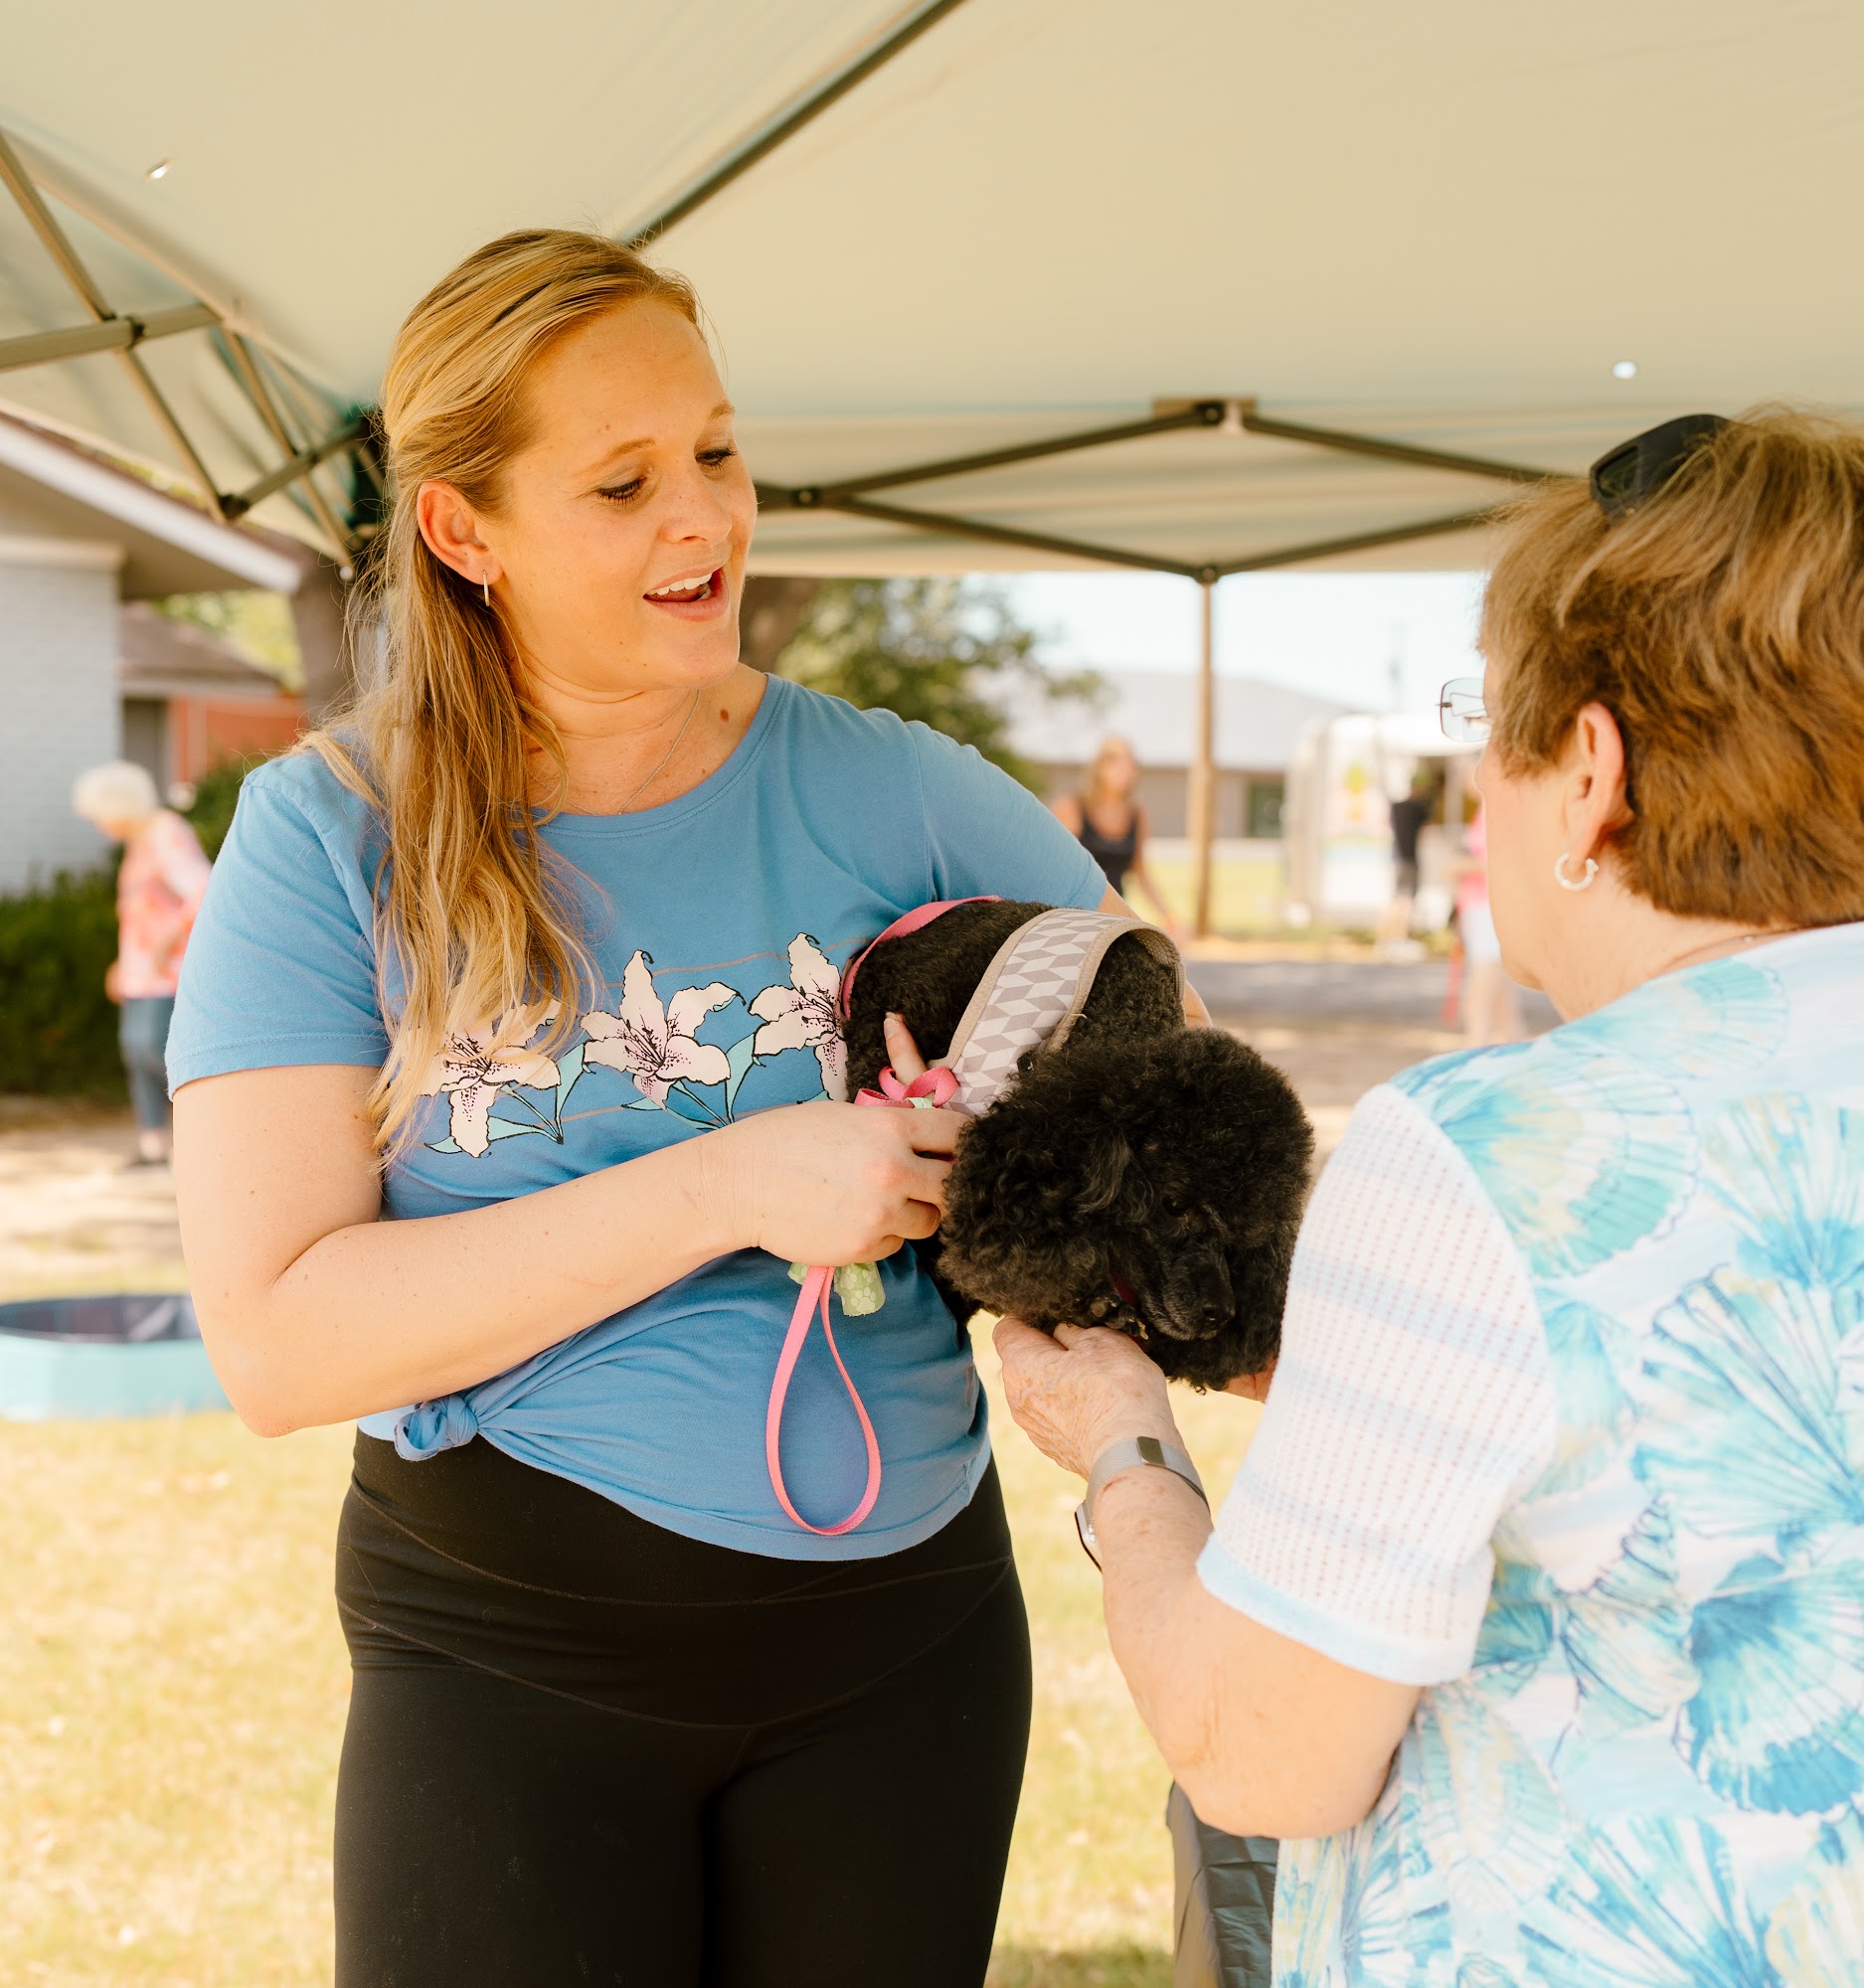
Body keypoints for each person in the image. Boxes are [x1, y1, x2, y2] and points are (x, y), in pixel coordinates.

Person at [164, 230, 1191, 1988]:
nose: (702, 518)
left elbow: (1177, 1148)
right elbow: (275, 1344)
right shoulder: (328, 833)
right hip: (504, 1667)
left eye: (717, 454)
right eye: (624, 483)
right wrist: (735, 1180)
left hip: (902, 1661)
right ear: (462, 531)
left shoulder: (910, 793)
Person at [991, 410, 1864, 1983]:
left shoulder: (1488, 1150)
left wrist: (1121, 1446)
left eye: (1496, 732)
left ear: (1590, 774)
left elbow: (1263, 1754)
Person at [71, 759, 211, 1166]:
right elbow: (138, 915)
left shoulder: (167, 832)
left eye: (99, 816)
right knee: (135, 1053)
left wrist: (169, 940)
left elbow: (204, 889)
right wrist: (121, 965)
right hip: (140, 974)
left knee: (154, 1049)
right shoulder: (138, 843)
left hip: (170, 972)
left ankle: (217, 1115)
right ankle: (152, 1146)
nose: (99, 826)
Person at [1054, 734, 1177, 931]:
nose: (1125, 772)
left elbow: (1141, 871)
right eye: (1118, 764)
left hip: (1115, 917)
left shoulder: (1137, 814)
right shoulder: (1073, 808)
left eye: (1130, 765)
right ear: (1100, 768)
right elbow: (1058, 867)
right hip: (1076, 915)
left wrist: (1169, 917)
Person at [1451, 786, 1523, 1045]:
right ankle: (1513, 1054)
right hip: (1482, 909)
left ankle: (1474, 1050)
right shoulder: (1485, 812)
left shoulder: (1497, 811)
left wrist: (1460, 866)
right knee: (1503, 1003)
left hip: (1488, 910)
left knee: (1479, 998)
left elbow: (1501, 861)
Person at [1377, 761, 1436, 950]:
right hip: (1410, 858)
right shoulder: (1419, 808)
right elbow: (1428, 829)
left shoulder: (1397, 807)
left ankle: (1386, 937)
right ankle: (1400, 938)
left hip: (1396, 857)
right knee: (1406, 899)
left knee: (1397, 898)